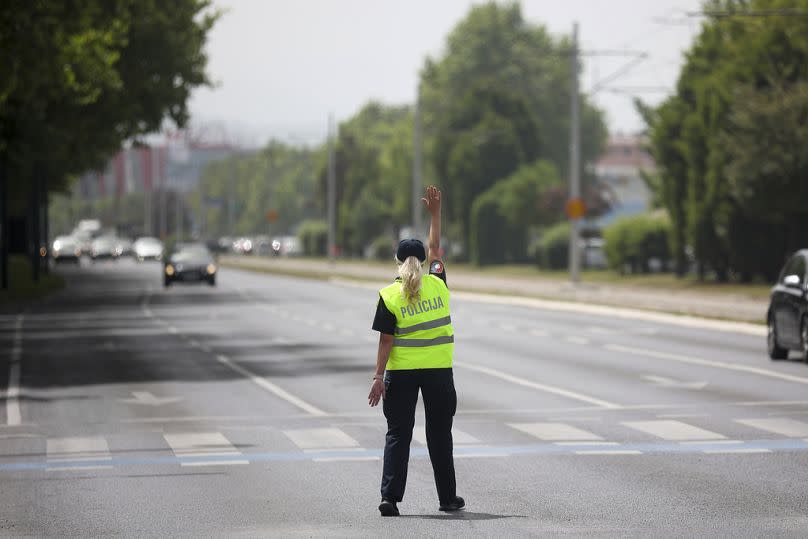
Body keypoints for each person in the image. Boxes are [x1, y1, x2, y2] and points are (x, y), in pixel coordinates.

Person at [368, 185, 464, 517]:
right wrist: (435, 214)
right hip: (439, 373)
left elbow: (385, 341)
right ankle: (447, 499)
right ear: (424, 262)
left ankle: (389, 498)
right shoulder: (437, 282)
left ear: (397, 261)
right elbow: (436, 246)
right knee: (440, 436)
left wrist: (378, 377)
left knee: (398, 434)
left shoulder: (390, 295)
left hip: (402, 375)